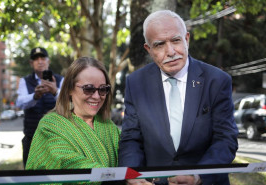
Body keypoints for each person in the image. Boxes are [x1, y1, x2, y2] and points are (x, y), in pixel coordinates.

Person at [118, 10, 238, 185]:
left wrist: (199, 176)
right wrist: (132, 176)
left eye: (176, 40)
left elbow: (225, 139)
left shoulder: (217, 80)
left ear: (187, 39)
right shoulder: (136, 83)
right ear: (148, 49)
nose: (171, 51)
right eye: (159, 44)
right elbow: (131, 139)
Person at [26, 57, 120, 185]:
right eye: (88, 88)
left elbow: (127, 157)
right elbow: (68, 161)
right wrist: (110, 177)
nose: (97, 96)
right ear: (70, 89)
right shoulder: (50, 125)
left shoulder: (110, 127)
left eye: (103, 89)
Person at [16, 47, 64, 167]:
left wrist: (55, 91)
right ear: (31, 63)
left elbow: (69, 104)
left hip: (56, 138)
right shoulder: (25, 81)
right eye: (36, 59)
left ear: (48, 61)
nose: (40, 61)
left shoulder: (60, 80)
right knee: (31, 175)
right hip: (31, 138)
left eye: (43, 58)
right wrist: (34, 96)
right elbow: (19, 103)